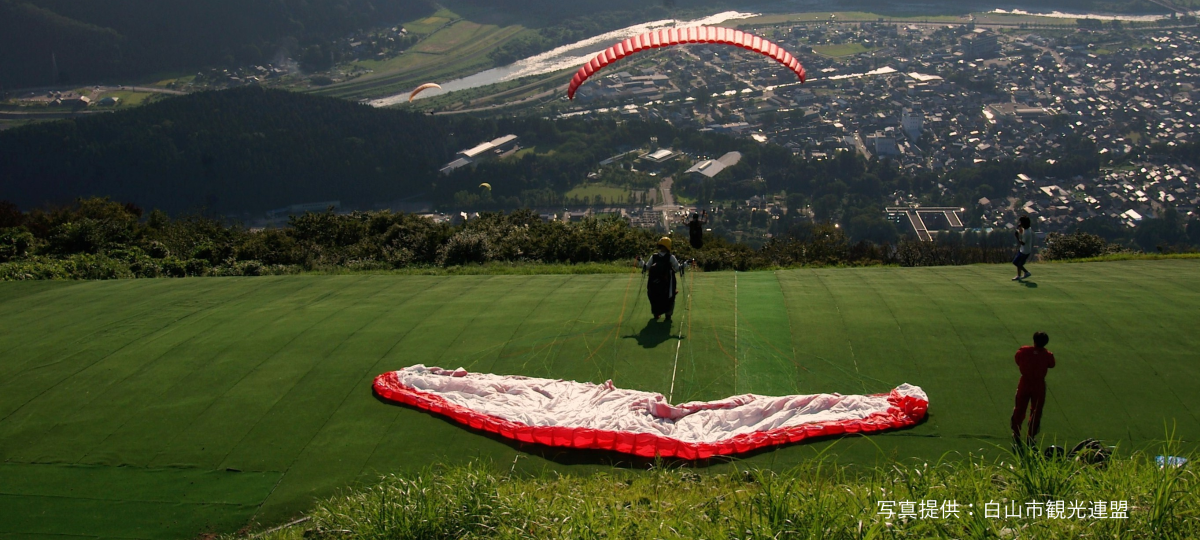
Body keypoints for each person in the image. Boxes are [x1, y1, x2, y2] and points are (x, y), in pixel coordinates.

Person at [1011, 331, 1055, 445]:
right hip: (1038, 384)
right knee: (1036, 410)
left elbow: (1017, 360)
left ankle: (1016, 433)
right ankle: (1031, 435)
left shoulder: (1023, 351)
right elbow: (1052, 364)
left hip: (1025, 382)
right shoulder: (1047, 355)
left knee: (1019, 408)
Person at [637, 237, 681, 322]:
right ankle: (666, 315)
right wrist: (686, 264)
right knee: (668, 297)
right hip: (666, 283)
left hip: (656, 283)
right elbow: (677, 268)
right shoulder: (669, 257)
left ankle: (658, 314)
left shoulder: (655, 256)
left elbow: (646, 267)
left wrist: (640, 261)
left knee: (657, 296)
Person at [1012, 215, 1034, 281]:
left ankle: (1026, 272)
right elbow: (1022, 231)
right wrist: (1020, 228)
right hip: (1023, 249)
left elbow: (1023, 243)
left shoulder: (1027, 233)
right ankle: (1019, 275)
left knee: (1017, 263)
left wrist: (1017, 237)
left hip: (1025, 251)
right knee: (1017, 262)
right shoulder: (1028, 228)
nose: (1020, 224)